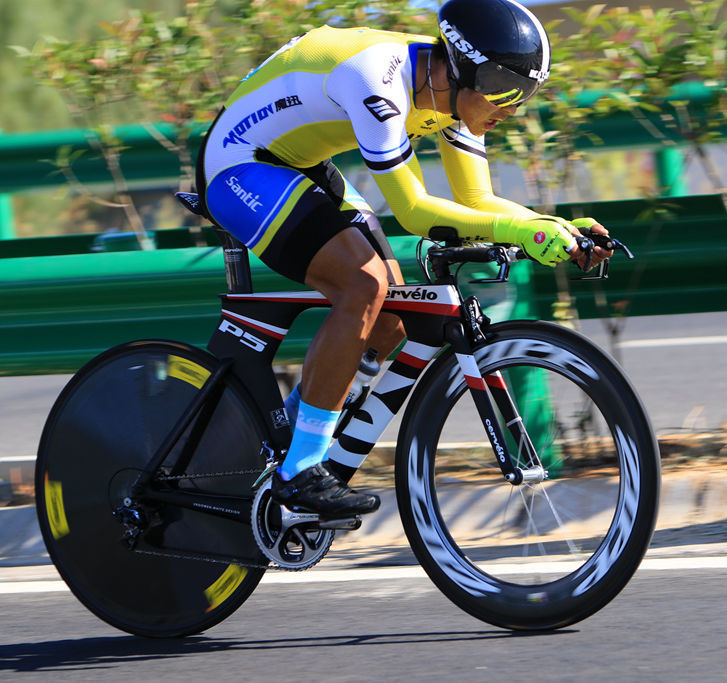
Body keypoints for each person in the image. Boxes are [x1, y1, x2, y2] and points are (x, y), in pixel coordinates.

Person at [198, 0, 613, 518]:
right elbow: (414, 212)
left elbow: (478, 203)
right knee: (364, 286)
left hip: (299, 164)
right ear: (468, 67)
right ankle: (299, 470)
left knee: (389, 319)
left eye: (525, 94)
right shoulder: (380, 81)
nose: (513, 106)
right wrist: (524, 230)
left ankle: (281, 440)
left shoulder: (452, 96)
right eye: (509, 89)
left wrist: (556, 227)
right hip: (240, 164)